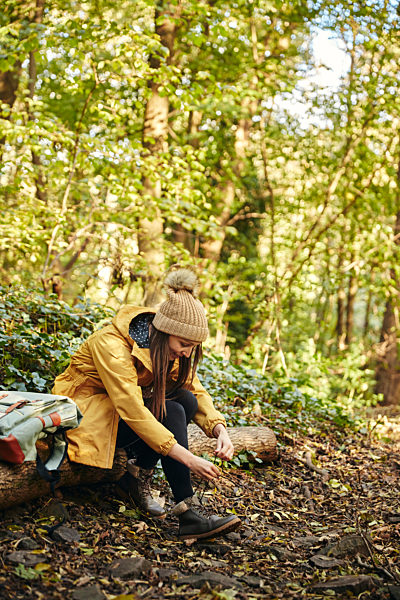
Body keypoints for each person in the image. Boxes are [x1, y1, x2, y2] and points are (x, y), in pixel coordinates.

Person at [53, 267, 241, 540]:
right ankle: (188, 514)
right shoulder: (112, 345)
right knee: (172, 410)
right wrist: (188, 459)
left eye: (192, 347)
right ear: (164, 332)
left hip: (117, 414)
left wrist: (219, 429)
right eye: (184, 344)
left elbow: (194, 390)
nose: (186, 352)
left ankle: (134, 479)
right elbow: (130, 407)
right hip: (86, 417)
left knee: (184, 400)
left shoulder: (165, 347)